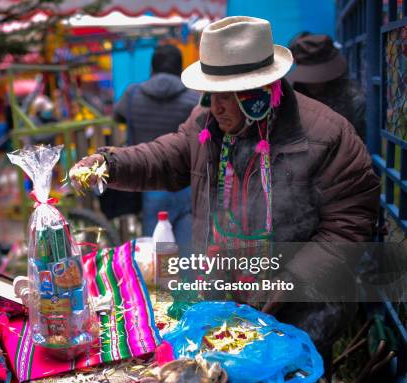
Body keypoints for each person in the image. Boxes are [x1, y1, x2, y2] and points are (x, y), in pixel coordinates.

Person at [72, 17, 379, 358]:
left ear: (259, 92)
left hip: (300, 312)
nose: (213, 106)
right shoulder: (206, 122)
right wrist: (110, 165)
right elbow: (166, 157)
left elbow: (349, 224)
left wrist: (288, 283)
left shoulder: (327, 135)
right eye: (210, 93)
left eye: (226, 96)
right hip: (225, 300)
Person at [113, 44, 199, 248]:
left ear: (152, 68)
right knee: (187, 256)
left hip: (149, 182)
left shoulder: (132, 95)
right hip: (187, 184)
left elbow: (118, 116)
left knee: (154, 256)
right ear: (180, 69)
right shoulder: (194, 99)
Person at [288, 33, 367, 141]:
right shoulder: (290, 96)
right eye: (310, 76)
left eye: (319, 76)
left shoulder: (353, 100)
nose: (313, 82)